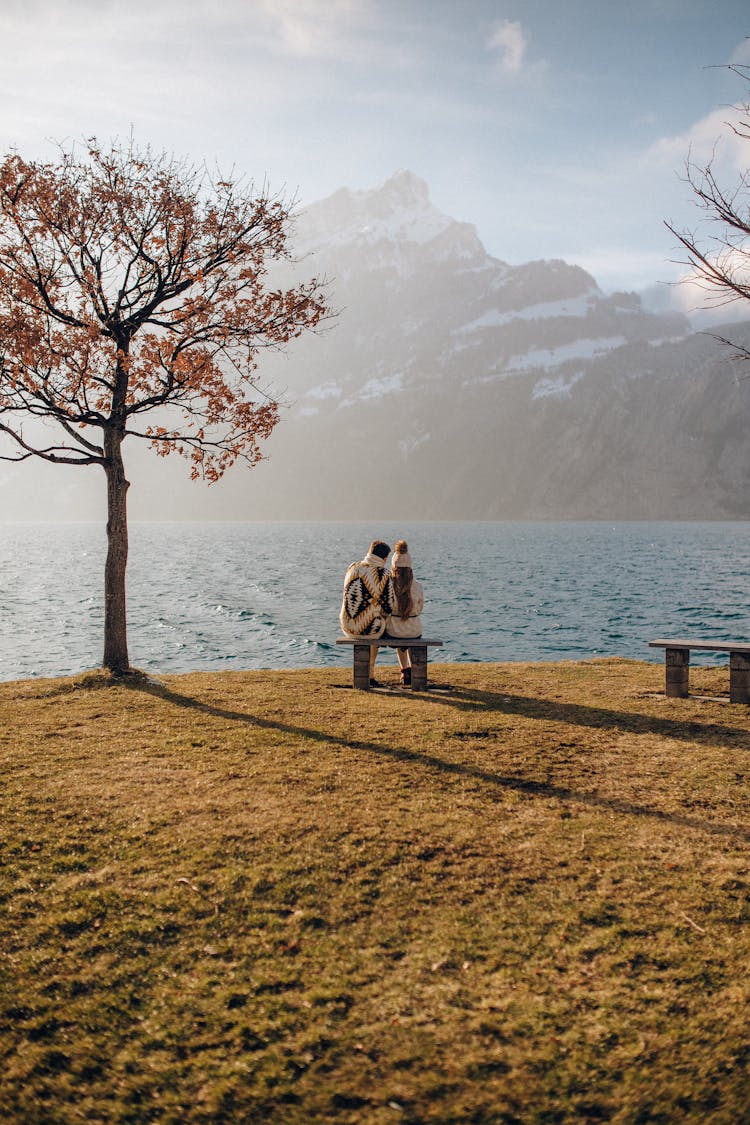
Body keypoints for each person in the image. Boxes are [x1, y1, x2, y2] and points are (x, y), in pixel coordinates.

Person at [339, 540, 394, 686]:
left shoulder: (352, 567)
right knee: (377, 624)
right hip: (367, 629)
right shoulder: (384, 574)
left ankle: (365, 672)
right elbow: (389, 607)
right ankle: (370, 674)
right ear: (385, 558)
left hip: (346, 625)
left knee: (371, 618)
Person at [385, 539, 424, 686]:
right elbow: (420, 609)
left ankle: (404, 670)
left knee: (399, 635)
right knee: (408, 635)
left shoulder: (388, 586)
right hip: (415, 630)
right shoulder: (418, 586)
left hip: (394, 630)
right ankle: (409, 669)